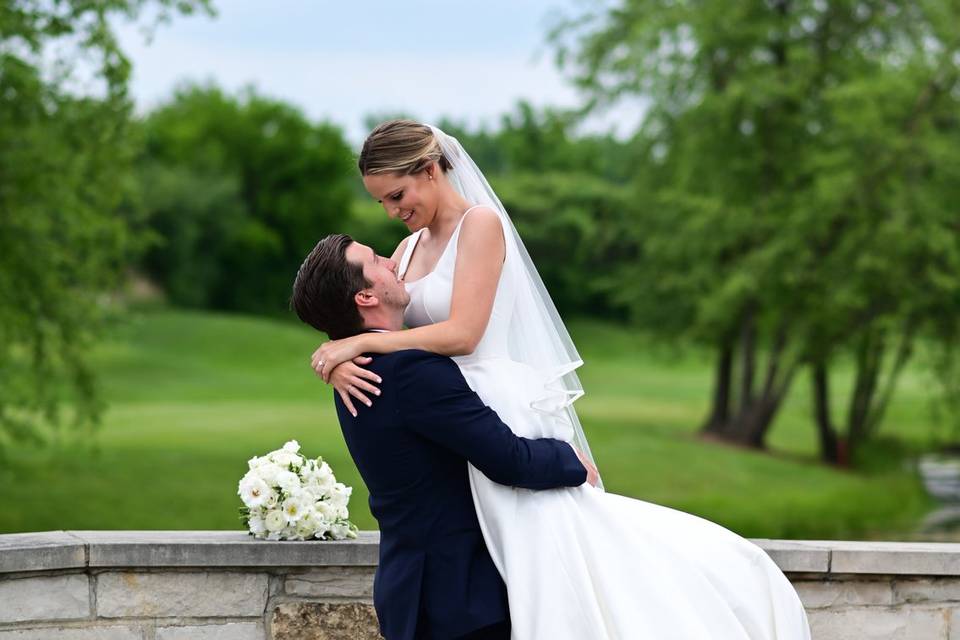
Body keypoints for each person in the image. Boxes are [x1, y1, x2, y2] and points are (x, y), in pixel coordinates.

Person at [310, 120, 812, 639]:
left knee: (546, 553)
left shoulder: (480, 225)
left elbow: (463, 333)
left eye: (397, 195)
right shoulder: (408, 248)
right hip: (443, 416)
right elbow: (365, 304)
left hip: (489, 404)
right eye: (382, 203)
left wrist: (363, 344)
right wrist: (340, 352)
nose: (393, 212)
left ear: (431, 169)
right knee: (493, 556)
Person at [290, 233, 598, 640]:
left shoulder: (355, 369)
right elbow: (507, 458)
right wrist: (571, 462)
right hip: (458, 600)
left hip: (412, 589)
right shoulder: (412, 372)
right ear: (365, 297)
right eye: (377, 261)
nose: (392, 262)